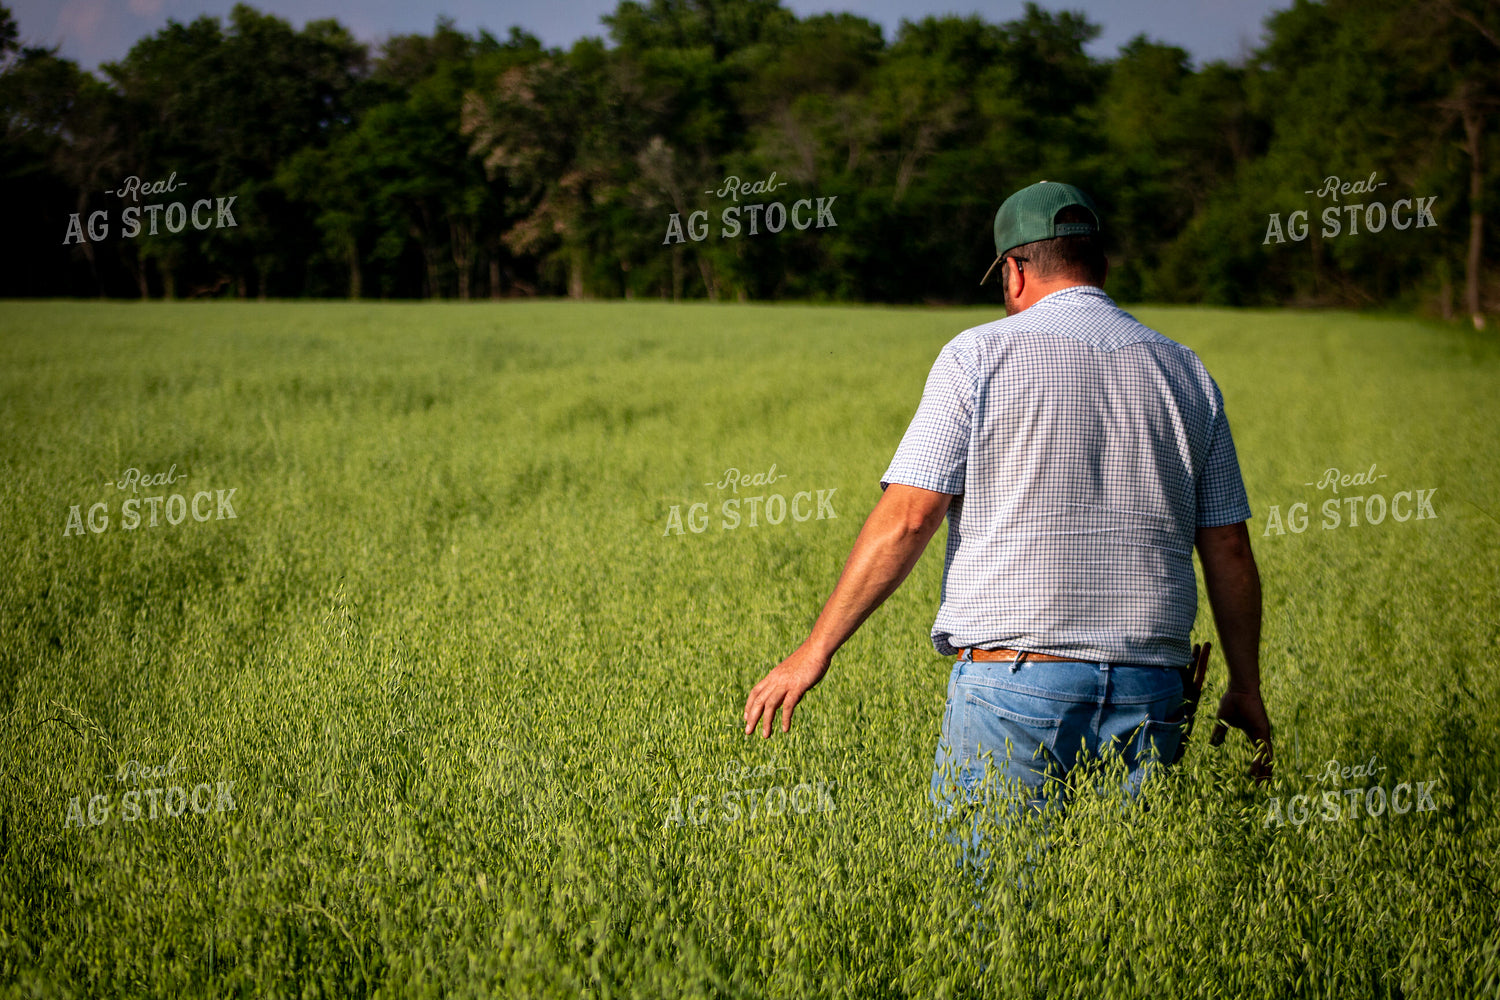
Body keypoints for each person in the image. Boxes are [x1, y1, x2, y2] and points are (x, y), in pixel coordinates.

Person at [741, 180, 1273, 841]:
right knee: (1119, 908)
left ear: (1015, 271)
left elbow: (909, 515)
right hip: (1153, 688)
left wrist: (814, 651)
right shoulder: (1187, 371)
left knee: (991, 914)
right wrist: (1245, 685)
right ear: (1100, 265)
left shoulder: (977, 356)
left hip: (1016, 686)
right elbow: (1229, 549)